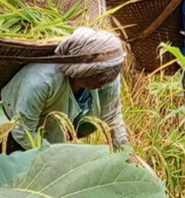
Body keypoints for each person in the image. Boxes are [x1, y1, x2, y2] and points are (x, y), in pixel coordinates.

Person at [0, 27, 130, 154]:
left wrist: (127, 153)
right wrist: (56, 158)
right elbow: (22, 131)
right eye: (100, 82)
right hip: (15, 130)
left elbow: (112, 118)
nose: (103, 86)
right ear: (81, 73)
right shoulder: (40, 81)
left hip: (56, 130)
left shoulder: (108, 74)